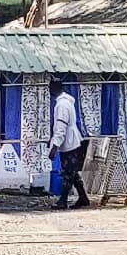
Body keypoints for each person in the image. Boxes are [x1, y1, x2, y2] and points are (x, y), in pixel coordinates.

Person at [48, 80, 91, 210]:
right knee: (72, 172)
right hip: (73, 139)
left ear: (54, 88)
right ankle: (83, 197)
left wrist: (54, 146)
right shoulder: (67, 102)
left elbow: (61, 127)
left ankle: (63, 200)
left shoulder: (61, 105)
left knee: (68, 172)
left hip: (69, 142)